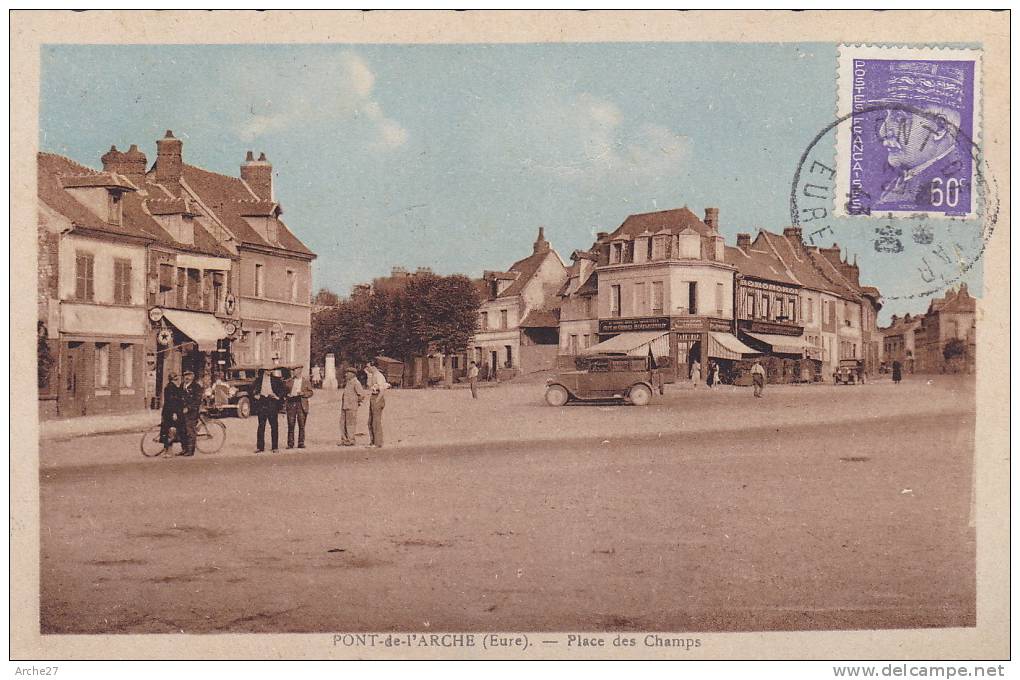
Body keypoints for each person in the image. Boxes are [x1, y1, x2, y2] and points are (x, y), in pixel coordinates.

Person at [250, 367, 285, 453]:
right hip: (262, 403)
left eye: (270, 370)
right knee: (261, 426)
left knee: (274, 426)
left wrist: (277, 397)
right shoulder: (258, 380)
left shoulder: (276, 380)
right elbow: (250, 390)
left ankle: (275, 447)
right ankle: (260, 447)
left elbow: (283, 390)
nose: (269, 371)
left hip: (272, 402)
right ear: (264, 371)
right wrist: (255, 396)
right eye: (267, 370)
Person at [284, 368, 314, 449]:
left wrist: (303, 393)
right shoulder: (289, 381)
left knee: (302, 424)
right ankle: (290, 443)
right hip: (291, 403)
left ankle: (301, 442)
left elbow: (311, 392)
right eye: (293, 371)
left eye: (295, 370)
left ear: (300, 371)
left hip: (301, 404)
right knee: (291, 424)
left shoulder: (306, 381)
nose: (293, 372)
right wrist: (287, 395)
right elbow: (284, 392)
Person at [364, 361, 390, 448]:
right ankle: (373, 441)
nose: (367, 369)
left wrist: (377, 401)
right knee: (370, 421)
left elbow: (382, 390)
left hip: (377, 397)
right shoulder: (373, 375)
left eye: (368, 367)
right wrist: (368, 375)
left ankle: (377, 442)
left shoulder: (379, 376)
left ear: (373, 366)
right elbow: (368, 386)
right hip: (373, 397)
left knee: (376, 421)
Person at [178, 370, 204, 456]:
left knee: (190, 430)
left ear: (192, 376)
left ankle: (190, 451)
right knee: (182, 430)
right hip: (182, 411)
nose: (187, 377)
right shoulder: (182, 385)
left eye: (189, 375)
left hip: (192, 412)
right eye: (185, 375)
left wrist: (189, 408)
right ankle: (184, 449)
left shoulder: (196, 387)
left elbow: (197, 400)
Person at [339, 368, 365, 446]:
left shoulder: (356, 383)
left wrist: (357, 403)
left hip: (351, 407)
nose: (346, 374)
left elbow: (361, 394)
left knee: (350, 424)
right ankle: (344, 440)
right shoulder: (348, 382)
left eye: (348, 373)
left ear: (353, 374)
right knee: (342, 423)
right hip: (345, 406)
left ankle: (351, 440)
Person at [159, 372, 183, 454]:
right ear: (175, 379)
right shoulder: (173, 388)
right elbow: (172, 401)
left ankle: (166, 450)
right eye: (177, 379)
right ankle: (169, 451)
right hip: (171, 411)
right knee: (171, 430)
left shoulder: (167, 387)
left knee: (166, 430)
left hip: (166, 411)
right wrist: (174, 413)